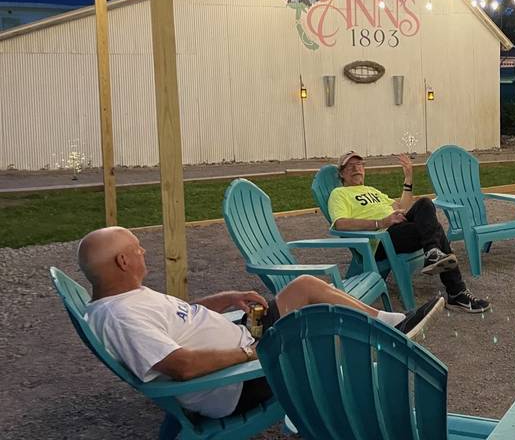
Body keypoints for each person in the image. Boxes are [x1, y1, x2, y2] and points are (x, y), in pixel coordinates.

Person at [78, 227, 444, 419]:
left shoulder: (127, 298)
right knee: (318, 331)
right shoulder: (122, 315)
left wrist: (226, 300)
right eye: (138, 248)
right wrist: (247, 353)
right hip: (237, 381)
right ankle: (372, 395)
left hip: (244, 339)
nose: (144, 253)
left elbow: (178, 316)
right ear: (123, 262)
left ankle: (390, 323)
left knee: (303, 287)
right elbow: (182, 365)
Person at [329, 151, 490, 313]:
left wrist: (408, 178)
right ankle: (455, 290)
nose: (356, 169)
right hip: (380, 240)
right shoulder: (338, 194)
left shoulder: (372, 191)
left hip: (397, 230)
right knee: (436, 230)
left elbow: (402, 208)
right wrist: (381, 222)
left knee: (425, 203)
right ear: (341, 173)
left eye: (360, 165)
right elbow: (340, 224)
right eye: (351, 166)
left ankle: (433, 253)